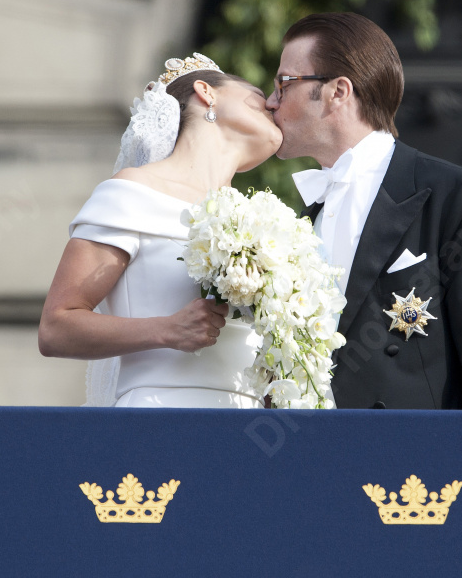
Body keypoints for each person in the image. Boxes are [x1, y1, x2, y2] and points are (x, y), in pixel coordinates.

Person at [266, 13, 462, 409]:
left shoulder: (459, 197)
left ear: (338, 91)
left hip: (412, 448)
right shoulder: (301, 215)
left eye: (284, 84)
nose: (271, 102)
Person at [38, 54, 282, 408]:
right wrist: (167, 329)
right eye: (259, 96)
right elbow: (56, 328)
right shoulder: (132, 192)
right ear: (206, 92)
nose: (273, 104)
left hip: (245, 421)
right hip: (160, 412)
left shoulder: (265, 223)